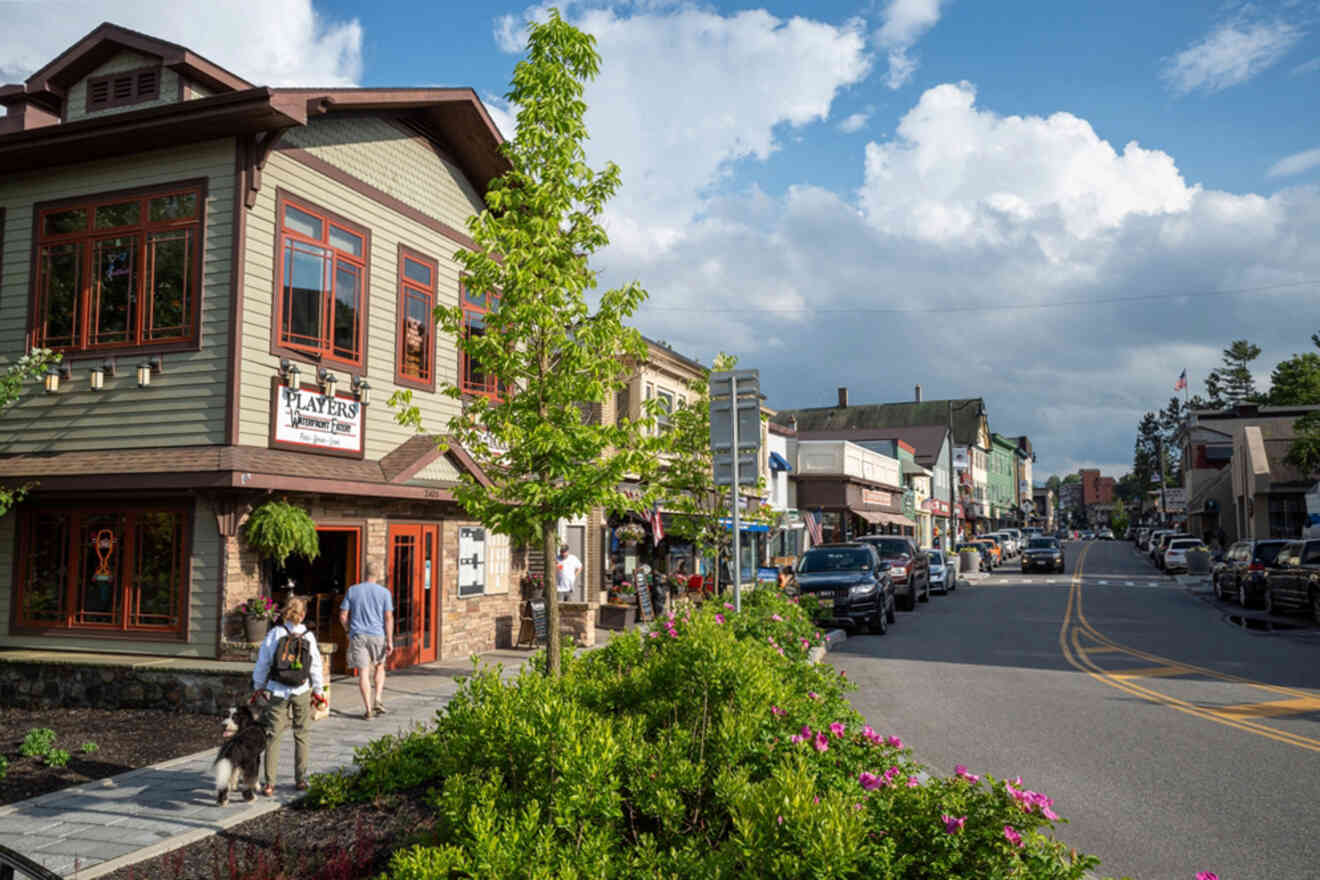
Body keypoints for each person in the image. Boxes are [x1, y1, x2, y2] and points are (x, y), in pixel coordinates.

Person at [252, 596, 324, 795]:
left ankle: (270, 783)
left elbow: (263, 662)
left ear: (286, 612)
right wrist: (319, 691)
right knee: (302, 733)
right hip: (301, 689)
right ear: (303, 614)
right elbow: (316, 666)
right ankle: (300, 779)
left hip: (278, 689)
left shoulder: (275, 634)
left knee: (273, 735)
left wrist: (258, 685)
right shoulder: (308, 636)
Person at [339, 561, 394, 720]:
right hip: (378, 635)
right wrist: (389, 640)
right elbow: (388, 617)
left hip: (358, 635)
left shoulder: (352, 590)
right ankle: (378, 699)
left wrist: (348, 630)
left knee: (363, 672)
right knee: (379, 667)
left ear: (364, 573)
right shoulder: (384, 593)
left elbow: (343, 616)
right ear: (378, 575)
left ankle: (368, 709)